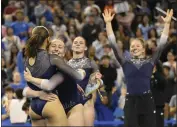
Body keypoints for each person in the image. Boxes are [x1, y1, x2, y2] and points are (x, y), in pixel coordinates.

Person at [102, 9, 173, 127]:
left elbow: (162, 43)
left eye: (137, 45)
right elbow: (113, 44)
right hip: (130, 101)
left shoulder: (150, 61)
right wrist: (108, 23)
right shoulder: (125, 61)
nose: (134, 47)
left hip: (147, 100)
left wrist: (167, 24)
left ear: (143, 49)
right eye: (132, 46)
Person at [24, 26, 84, 126]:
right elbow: (27, 90)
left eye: (60, 47)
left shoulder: (29, 57)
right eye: (54, 46)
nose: (56, 49)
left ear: (65, 52)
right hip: (51, 104)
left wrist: (31, 80)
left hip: (39, 107)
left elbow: (27, 89)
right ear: (48, 44)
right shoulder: (52, 60)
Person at [68, 36, 103, 126]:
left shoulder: (91, 63)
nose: (78, 44)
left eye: (81, 42)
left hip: (86, 101)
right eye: (75, 42)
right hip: (71, 103)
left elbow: (99, 82)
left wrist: (97, 81)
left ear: (85, 47)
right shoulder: (66, 64)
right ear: (72, 46)